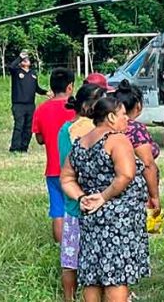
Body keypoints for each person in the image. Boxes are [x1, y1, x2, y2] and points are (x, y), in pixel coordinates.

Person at [59, 96, 150, 302]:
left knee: (92, 274)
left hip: (91, 217)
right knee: (116, 276)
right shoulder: (116, 139)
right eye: (123, 114)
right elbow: (126, 174)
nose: (127, 119)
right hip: (117, 220)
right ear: (110, 117)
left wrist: (82, 197)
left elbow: (66, 178)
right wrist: (104, 196)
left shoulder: (82, 142)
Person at [57, 83, 106, 302]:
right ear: (89, 106)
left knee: (70, 258)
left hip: (72, 202)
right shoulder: (92, 130)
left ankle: (69, 298)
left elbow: (65, 167)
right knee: (93, 258)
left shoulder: (64, 129)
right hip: (94, 204)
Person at [32, 68, 76, 243]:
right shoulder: (76, 109)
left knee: (57, 211)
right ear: (70, 87)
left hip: (53, 169)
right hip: (75, 169)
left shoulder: (41, 109)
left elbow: (40, 139)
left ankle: (61, 248)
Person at [111, 80, 161, 215]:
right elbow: (148, 164)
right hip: (135, 191)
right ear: (138, 105)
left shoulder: (108, 124)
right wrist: (154, 196)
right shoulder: (136, 129)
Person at [8, 51, 48, 152]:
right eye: (23, 60)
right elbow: (11, 67)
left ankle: (24, 148)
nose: (26, 60)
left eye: (27, 59)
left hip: (30, 105)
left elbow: (36, 88)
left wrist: (46, 92)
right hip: (18, 104)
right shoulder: (16, 71)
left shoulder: (33, 73)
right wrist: (20, 57)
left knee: (29, 127)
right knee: (19, 126)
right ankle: (14, 148)